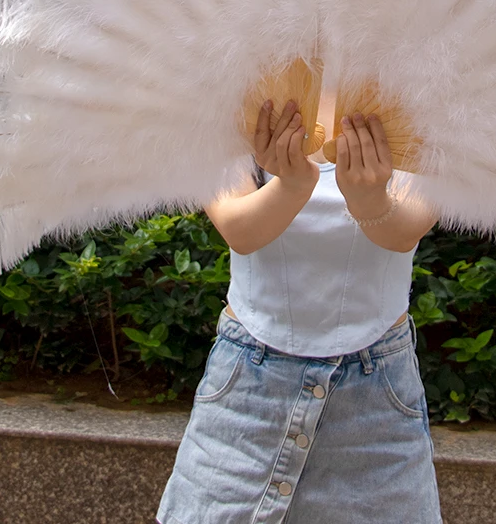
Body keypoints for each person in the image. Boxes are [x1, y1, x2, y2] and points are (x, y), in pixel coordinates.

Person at [157, 97, 441, 524]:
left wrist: (371, 200)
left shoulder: (422, 95)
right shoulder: (233, 86)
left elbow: (403, 232)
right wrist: (290, 185)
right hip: (248, 388)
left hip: (376, 397)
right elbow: (239, 228)